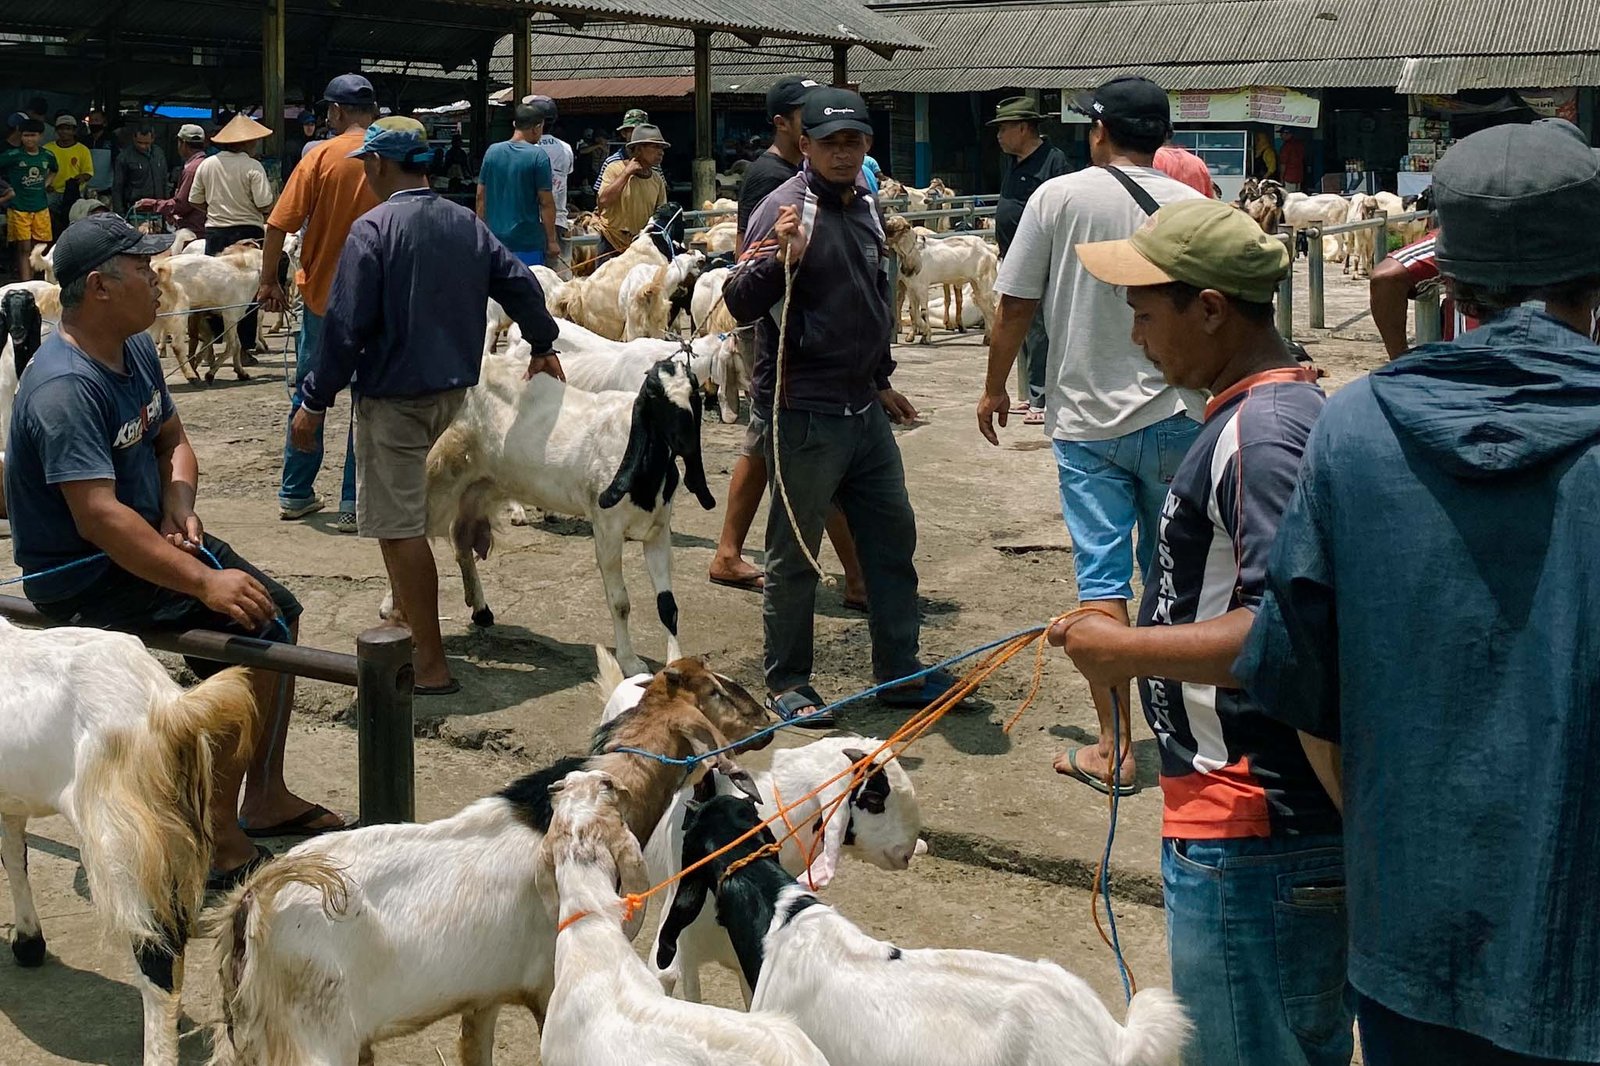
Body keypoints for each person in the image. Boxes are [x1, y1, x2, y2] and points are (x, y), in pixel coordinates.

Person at [1236, 118, 1600, 1066]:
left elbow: (1308, 695)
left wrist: (1402, 842)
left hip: (1410, 940)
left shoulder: (1354, 428)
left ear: (1447, 275)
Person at [1058, 198, 1350, 1066]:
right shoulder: (1260, 419)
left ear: (1213, 309)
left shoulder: (1262, 439)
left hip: (1255, 828)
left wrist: (1123, 651)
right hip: (1242, 822)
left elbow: (1279, 633)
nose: (1139, 339)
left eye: (1147, 317)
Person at [3, 214, 348, 889]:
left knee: (276, 612)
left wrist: (179, 504)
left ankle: (262, 794)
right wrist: (201, 582)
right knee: (255, 621)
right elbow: (97, 518)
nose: (159, 279)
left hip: (144, 533)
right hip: (82, 570)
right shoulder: (64, 386)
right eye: (143, 268)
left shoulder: (130, 348)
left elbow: (173, 440)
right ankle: (217, 833)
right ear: (99, 286)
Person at [978, 77, 1205, 792]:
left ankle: (1115, 749)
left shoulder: (1059, 196)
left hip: (1083, 426)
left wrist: (994, 387)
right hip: (1179, 415)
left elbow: (1016, 304)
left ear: (1099, 131)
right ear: (1162, 136)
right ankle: (1190, 741)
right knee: (1178, 583)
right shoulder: (1196, 206)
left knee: (1101, 585)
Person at [289, 117, 564, 694]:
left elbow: (344, 328)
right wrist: (542, 343)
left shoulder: (373, 229)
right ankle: (403, 619)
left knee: (399, 528)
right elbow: (520, 283)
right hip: (454, 395)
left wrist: (314, 400)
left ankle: (431, 663)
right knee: (416, 515)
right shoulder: (465, 223)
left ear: (380, 165)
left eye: (367, 163)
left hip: (395, 399)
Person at [724, 87, 961, 726]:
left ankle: (899, 668)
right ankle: (789, 683)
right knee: (795, 554)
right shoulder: (782, 208)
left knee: (891, 541)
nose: (843, 153)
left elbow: (866, 299)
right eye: (830, 143)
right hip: (802, 412)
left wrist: (882, 378)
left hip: (862, 410)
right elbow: (739, 301)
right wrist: (780, 260)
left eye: (854, 141)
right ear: (805, 145)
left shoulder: (863, 204)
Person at [708, 75, 868, 611]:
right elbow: (748, 263)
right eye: (810, 114)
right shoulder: (772, 182)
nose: (827, 120)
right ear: (788, 127)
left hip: (807, 340)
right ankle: (856, 574)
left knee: (763, 445)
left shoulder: (841, 187)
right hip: (784, 338)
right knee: (805, 455)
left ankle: (728, 552)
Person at [258, 74, 380, 533]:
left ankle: (295, 493)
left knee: (310, 396)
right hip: (376, 307)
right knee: (364, 402)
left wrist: (269, 279)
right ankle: (353, 501)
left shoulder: (320, 157)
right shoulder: (390, 156)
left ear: (335, 112)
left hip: (322, 301)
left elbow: (278, 224)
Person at [992, 95, 1071, 424]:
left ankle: (1043, 397)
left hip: (1042, 261)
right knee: (1020, 329)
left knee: (1039, 329)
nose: (998, 136)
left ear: (1024, 128)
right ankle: (1030, 393)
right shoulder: (1014, 161)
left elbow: (1060, 213)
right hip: (1012, 257)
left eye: (1004, 129)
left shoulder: (1053, 162)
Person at [190, 114, 276, 360]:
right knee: (247, 295)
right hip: (248, 234)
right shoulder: (252, 167)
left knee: (214, 291)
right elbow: (264, 203)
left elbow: (195, 199)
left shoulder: (207, 164)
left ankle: (214, 343)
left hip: (216, 232)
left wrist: (216, 211)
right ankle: (243, 349)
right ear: (246, 143)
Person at [1369, 230, 1477, 359]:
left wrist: (1400, 361)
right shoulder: (1461, 240)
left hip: (1466, 362)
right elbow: (1386, 278)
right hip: (1474, 360)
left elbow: (1386, 278)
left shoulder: (1461, 240)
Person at [476, 103, 558, 267]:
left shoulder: (492, 152)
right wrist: (552, 241)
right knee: (529, 290)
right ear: (537, 127)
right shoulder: (538, 157)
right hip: (527, 244)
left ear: (515, 124)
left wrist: (481, 234)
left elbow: (480, 197)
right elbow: (546, 203)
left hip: (494, 242)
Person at [595, 123, 668, 254]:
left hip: (640, 244)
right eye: (656, 147)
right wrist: (626, 173)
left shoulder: (657, 179)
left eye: (662, 148)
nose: (661, 152)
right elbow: (603, 201)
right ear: (639, 149)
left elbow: (660, 215)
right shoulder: (614, 169)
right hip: (611, 241)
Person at [0, 120, 57, 281]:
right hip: (19, 207)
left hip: (40, 206)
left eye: (33, 135)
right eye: (26, 135)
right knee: (23, 247)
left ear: (40, 136)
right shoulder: (13, 155)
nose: (29, 139)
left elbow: (54, 169)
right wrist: (5, 189)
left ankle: (34, 280)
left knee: (38, 247)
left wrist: (45, 184)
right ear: (21, 136)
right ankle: (27, 283)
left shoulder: (47, 155)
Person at [526, 96, 574, 265]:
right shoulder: (566, 148)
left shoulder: (526, 149)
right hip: (559, 222)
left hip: (531, 223)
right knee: (557, 279)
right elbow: (566, 174)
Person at [138, 123, 207, 238]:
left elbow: (182, 205)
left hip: (194, 230)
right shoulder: (206, 163)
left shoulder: (192, 169)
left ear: (182, 143)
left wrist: (152, 204)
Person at [44, 113, 94, 236]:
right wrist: (46, 185)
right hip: (52, 192)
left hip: (73, 193)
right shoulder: (47, 149)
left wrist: (79, 179)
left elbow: (88, 173)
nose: (64, 132)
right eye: (61, 128)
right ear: (56, 131)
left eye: (68, 128)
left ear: (74, 131)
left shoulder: (82, 150)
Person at [110, 125, 168, 218]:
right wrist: (119, 214)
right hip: (135, 210)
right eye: (139, 142)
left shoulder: (159, 153)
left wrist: (167, 206)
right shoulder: (124, 157)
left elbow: (164, 180)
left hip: (158, 208)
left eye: (147, 143)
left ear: (152, 139)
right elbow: (117, 187)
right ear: (134, 138)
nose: (143, 146)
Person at [590, 108, 651, 195]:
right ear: (624, 133)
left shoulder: (653, 161)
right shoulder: (612, 162)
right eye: (633, 131)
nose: (638, 135)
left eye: (642, 131)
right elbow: (600, 196)